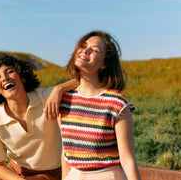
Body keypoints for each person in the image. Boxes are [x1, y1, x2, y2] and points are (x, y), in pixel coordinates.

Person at [58, 30, 142, 180]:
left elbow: (128, 160)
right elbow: (66, 152)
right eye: (83, 46)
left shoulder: (117, 104)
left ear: (104, 64)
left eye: (95, 50)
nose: (86, 50)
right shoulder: (64, 101)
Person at [0, 53, 78, 180]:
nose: (4, 78)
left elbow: (84, 80)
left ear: (22, 76)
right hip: (15, 172)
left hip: (50, 173)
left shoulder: (44, 98)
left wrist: (59, 89)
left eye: (10, 71)